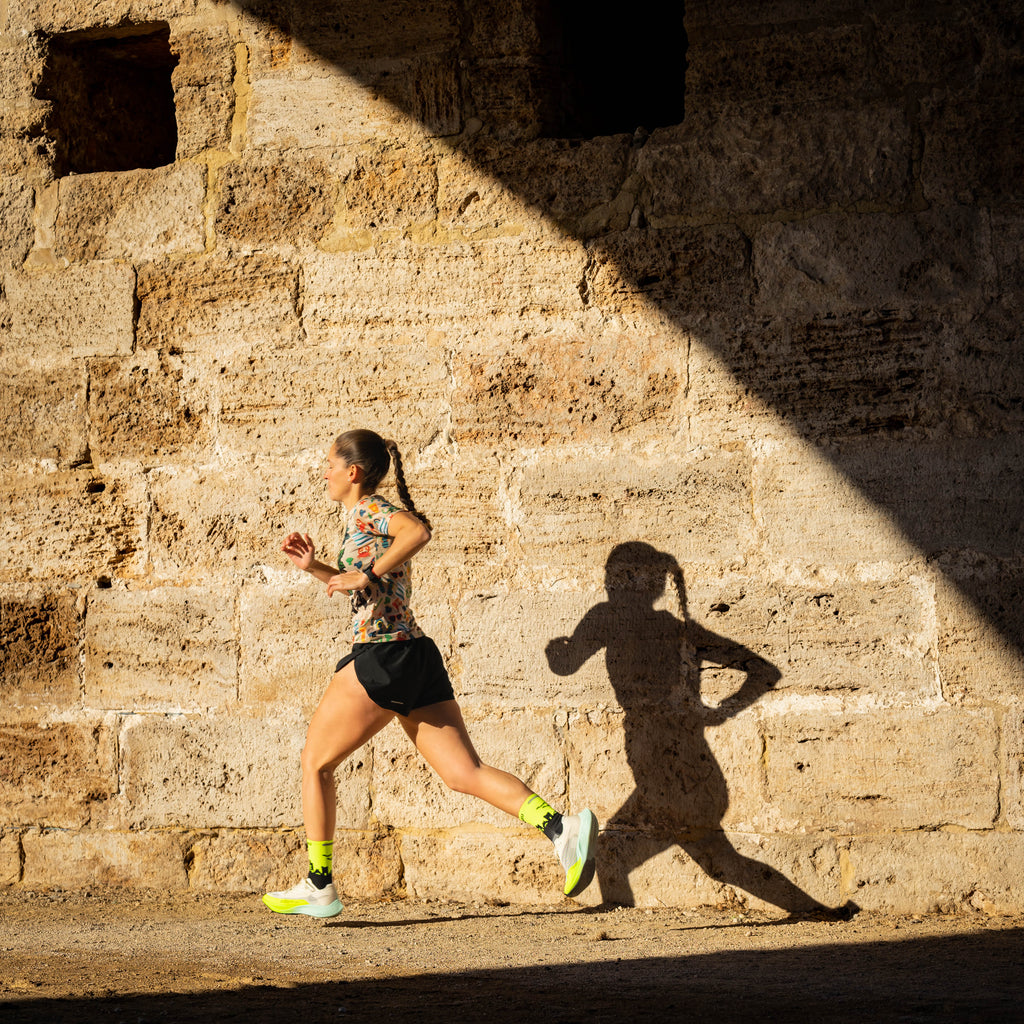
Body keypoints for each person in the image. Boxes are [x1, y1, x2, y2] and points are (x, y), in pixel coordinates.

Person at [263, 429, 597, 918]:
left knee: (315, 763)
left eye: (329, 463)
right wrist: (316, 567)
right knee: (465, 773)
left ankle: (318, 884)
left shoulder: (370, 510)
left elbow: (417, 533)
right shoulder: (361, 520)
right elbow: (365, 586)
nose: (324, 471)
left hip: (381, 656)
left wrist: (368, 573)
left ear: (351, 472)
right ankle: (561, 829)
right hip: (414, 655)